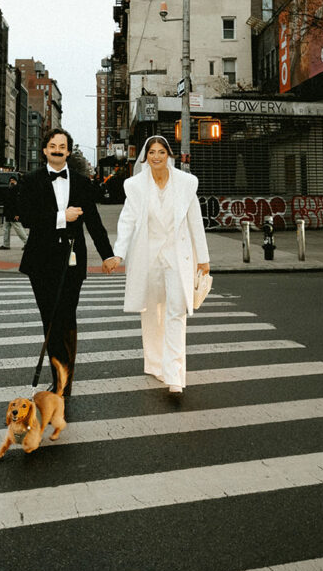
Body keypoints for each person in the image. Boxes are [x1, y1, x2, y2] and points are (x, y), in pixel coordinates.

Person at [19, 127, 119, 397]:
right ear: (44, 150)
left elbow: (95, 224)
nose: (57, 149)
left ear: (68, 151)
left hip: (72, 263)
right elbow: (27, 217)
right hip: (41, 263)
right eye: (52, 145)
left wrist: (108, 255)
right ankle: (59, 379)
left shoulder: (82, 183)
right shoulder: (31, 181)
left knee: (67, 318)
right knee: (50, 320)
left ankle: (65, 380)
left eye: (62, 146)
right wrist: (62, 217)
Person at [107, 135, 210, 395]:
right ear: (146, 156)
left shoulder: (186, 184)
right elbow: (127, 220)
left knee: (176, 310)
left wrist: (203, 258)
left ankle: (175, 374)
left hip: (177, 257)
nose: (156, 156)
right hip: (148, 258)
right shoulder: (136, 186)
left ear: (169, 155)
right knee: (151, 313)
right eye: (151, 152)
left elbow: (195, 221)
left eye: (161, 152)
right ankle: (155, 364)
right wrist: (118, 253)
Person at [0, 175, 27, 250]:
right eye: (10, 180)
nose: (12, 181)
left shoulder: (18, 190)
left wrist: (17, 214)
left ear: (16, 181)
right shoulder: (10, 189)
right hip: (8, 213)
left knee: (18, 229)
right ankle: (6, 244)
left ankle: (27, 242)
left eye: (13, 180)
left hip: (13, 213)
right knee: (6, 229)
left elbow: (19, 203)